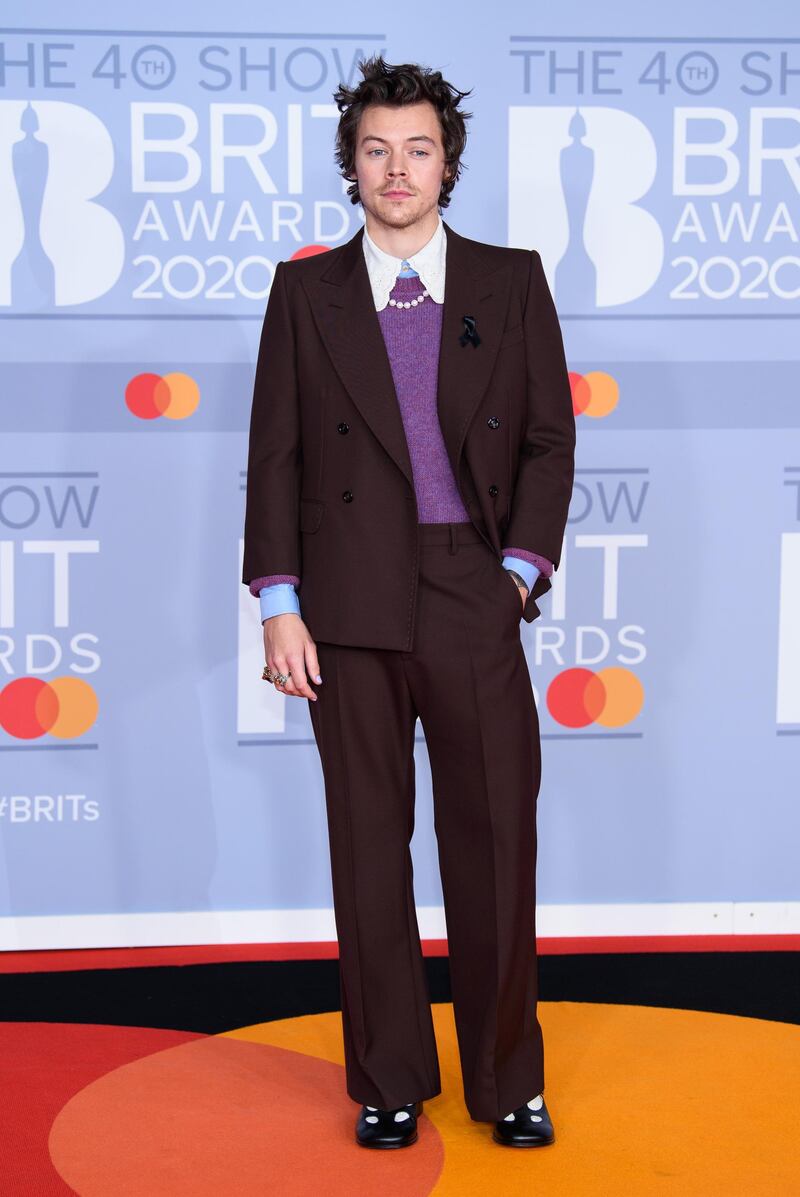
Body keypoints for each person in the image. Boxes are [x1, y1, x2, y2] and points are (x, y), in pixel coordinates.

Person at [242, 55, 575, 1150]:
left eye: (417, 147)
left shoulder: (509, 280)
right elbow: (275, 456)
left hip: (469, 592)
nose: (397, 168)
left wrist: (516, 575)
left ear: (448, 162)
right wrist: (277, 604)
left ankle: (506, 1079)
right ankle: (388, 1077)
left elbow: (543, 438)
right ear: (351, 164)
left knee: (493, 844)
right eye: (375, 148)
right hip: (345, 599)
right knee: (366, 844)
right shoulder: (305, 294)